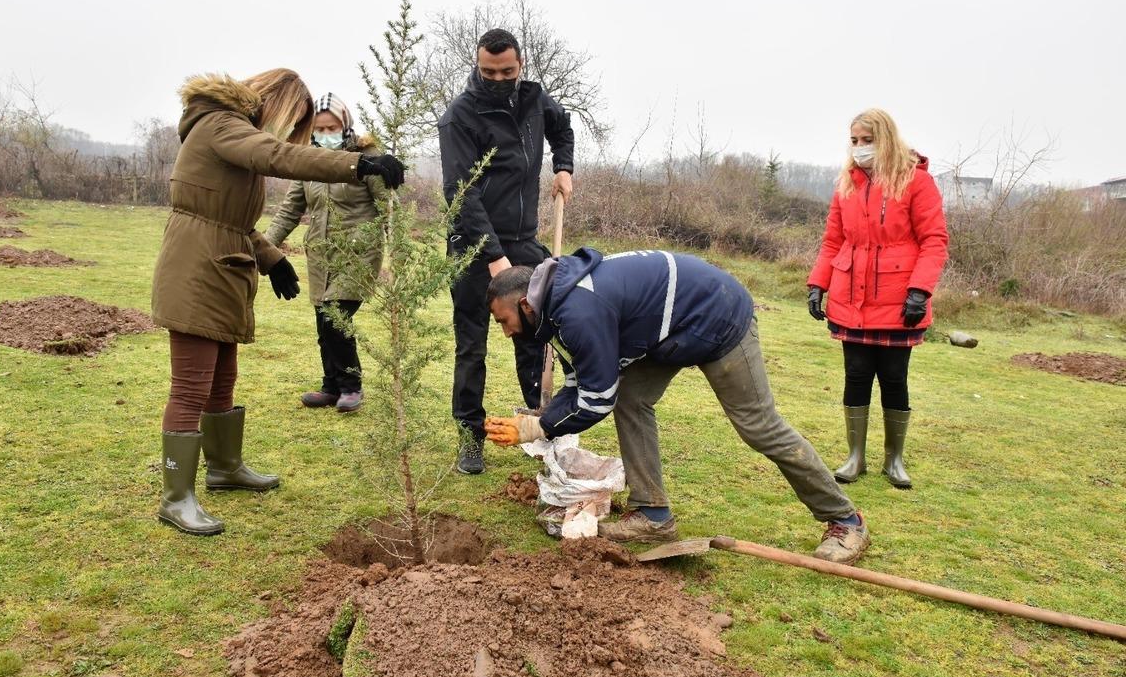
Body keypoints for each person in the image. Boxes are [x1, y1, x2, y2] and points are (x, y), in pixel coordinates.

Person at [483, 248, 871, 565]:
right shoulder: (557, 307)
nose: (507, 332)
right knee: (632, 399)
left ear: (524, 304)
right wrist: (534, 421)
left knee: (758, 425)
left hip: (717, 317)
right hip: (671, 331)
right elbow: (581, 383)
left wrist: (538, 429)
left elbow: (596, 399)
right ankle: (653, 514)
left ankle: (845, 520)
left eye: (505, 321)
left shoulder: (578, 310)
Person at [151, 70, 405, 536]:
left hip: (222, 265)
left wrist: (270, 258)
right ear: (280, 106)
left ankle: (224, 467)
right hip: (197, 269)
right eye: (295, 125)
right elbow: (277, 157)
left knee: (222, 375)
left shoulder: (223, 129)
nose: (292, 135)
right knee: (190, 386)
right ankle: (176, 498)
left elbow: (232, 218)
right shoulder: (221, 124)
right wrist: (357, 165)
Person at [438, 28, 576, 475]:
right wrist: (494, 256)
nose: (498, 78)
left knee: (534, 336)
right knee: (472, 343)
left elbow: (562, 127)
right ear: (477, 66)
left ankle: (540, 426)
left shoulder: (535, 100)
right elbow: (461, 193)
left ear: (520, 66)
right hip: (474, 245)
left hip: (523, 239)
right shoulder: (460, 116)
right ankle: (470, 437)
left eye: (507, 71)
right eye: (488, 72)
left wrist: (563, 166)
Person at [806, 108, 949, 489]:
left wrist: (920, 290)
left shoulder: (917, 182)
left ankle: (894, 460)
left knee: (893, 377)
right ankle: (855, 457)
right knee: (855, 374)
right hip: (850, 297)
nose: (859, 148)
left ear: (884, 138)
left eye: (866, 140)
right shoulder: (846, 185)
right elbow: (834, 240)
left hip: (899, 299)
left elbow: (934, 241)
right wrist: (818, 283)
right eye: (854, 140)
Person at [264, 93, 387, 413]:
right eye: (320, 129)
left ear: (345, 125)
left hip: (358, 254)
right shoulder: (309, 160)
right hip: (321, 254)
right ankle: (331, 386)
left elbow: (389, 206)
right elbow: (290, 210)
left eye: (332, 127)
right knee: (323, 321)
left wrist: (398, 251)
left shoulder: (366, 157)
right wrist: (263, 247)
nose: (326, 133)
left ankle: (351, 387)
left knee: (336, 316)